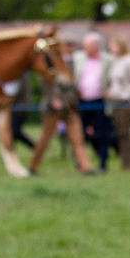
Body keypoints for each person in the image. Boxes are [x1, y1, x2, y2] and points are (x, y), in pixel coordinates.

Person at [28, 43, 95, 175]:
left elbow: (74, 83)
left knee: (77, 138)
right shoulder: (50, 62)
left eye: (72, 45)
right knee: (45, 138)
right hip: (52, 108)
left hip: (70, 106)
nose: (70, 48)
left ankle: (86, 167)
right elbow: (45, 82)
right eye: (67, 45)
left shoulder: (75, 62)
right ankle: (33, 166)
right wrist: (53, 100)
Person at [73, 32, 114, 171]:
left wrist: (111, 90)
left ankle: (103, 162)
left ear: (96, 46)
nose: (85, 48)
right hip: (82, 101)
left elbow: (114, 78)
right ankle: (81, 162)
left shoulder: (108, 60)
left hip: (99, 101)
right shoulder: (78, 59)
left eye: (88, 46)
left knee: (102, 133)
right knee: (81, 133)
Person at [106, 36, 130, 171]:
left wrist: (126, 94)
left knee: (124, 132)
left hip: (125, 103)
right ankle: (123, 161)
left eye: (113, 45)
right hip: (114, 101)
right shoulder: (114, 60)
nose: (111, 48)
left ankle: (128, 163)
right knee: (119, 133)